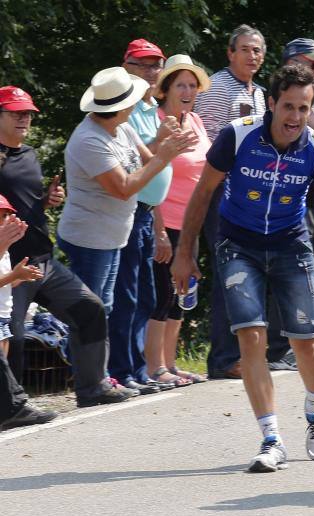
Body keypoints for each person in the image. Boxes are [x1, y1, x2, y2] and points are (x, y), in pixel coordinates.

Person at [171, 65, 314, 472]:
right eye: (287, 106)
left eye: (303, 108)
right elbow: (203, 192)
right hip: (238, 243)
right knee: (250, 335)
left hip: (290, 243)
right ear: (271, 103)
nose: (295, 117)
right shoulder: (238, 135)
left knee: (304, 341)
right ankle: (271, 438)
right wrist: (185, 251)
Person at [0, 85, 131, 407]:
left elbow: (20, 205)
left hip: (42, 260)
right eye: (16, 113)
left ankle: (92, 387)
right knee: (12, 336)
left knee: (91, 310)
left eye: (28, 113)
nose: (24, 119)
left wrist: (46, 202)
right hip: (12, 265)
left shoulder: (28, 154)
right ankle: (12, 407)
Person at [57, 68, 194, 322]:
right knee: (90, 315)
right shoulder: (89, 139)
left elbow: (148, 158)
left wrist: (165, 142)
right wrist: (165, 155)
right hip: (90, 239)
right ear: (122, 106)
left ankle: (96, 362)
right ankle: (81, 361)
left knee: (104, 309)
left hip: (112, 236)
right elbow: (124, 188)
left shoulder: (121, 127)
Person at [195, 24, 267, 379]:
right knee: (229, 272)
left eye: (257, 50)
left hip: (249, 197)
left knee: (248, 273)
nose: (252, 56)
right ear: (230, 52)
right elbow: (204, 143)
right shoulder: (216, 87)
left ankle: (240, 354)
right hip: (220, 195)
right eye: (245, 49)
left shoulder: (261, 93)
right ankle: (222, 359)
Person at [106, 38, 176, 394]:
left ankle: (137, 368)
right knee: (128, 294)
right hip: (128, 211)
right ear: (126, 66)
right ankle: (123, 370)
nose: (151, 72)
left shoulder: (151, 106)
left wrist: (160, 227)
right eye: (143, 64)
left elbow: (158, 174)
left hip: (148, 213)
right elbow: (139, 162)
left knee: (146, 295)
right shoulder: (125, 108)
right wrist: (164, 142)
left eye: (155, 65)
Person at [145, 54, 212, 387]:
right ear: (166, 90)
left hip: (192, 223)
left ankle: (170, 363)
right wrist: (158, 230)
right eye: (180, 85)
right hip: (166, 220)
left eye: (192, 85)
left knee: (183, 295)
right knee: (162, 295)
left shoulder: (196, 121)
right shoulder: (158, 123)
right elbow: (150, 178)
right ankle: (154, 366)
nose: (187, 91)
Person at [0, 198, 44, 357]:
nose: (5, 221)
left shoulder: (5, 251)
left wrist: (21, 276)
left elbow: (5, 283)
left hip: (4, 318)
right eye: (1, 216)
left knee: (3, 373)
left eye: (6, 215)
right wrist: (15, 274)